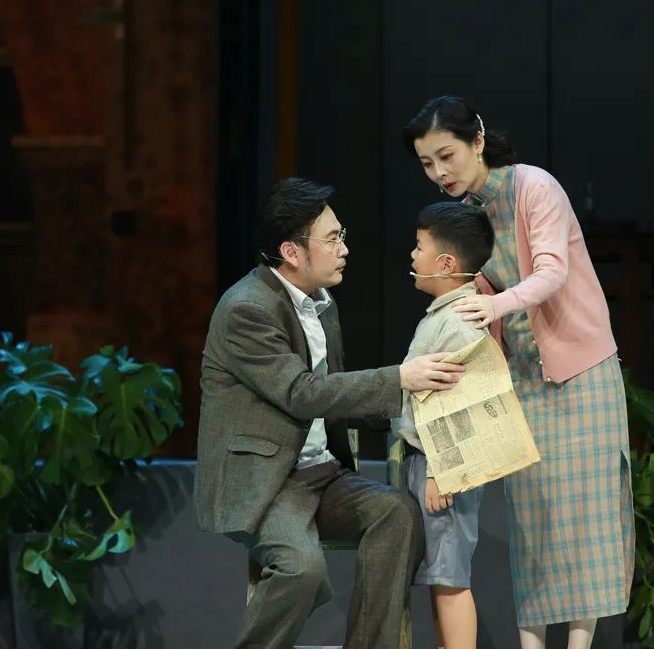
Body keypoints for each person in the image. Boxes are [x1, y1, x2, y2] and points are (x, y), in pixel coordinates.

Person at [194, 177, 466, 649]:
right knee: (301, 568)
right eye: (333, 239)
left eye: (342, 236)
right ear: (292, 252)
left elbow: (334, 393)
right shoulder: (247, 309)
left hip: (320, 474)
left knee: (397, 515)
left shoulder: (321, 303)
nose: (344, 249)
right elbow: (301, 393)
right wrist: (400, 378)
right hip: (267, 481)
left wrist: (415, 409)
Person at [402, 97, 634, 649]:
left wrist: (494, 305)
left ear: (477, 142)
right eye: (427, 163)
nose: (439, 172)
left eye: (446, 156)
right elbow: (468, 286)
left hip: (581, 370)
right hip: (522, 378)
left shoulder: (534, 187)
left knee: (585, 518)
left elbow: (552, 272)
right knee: (534, 521)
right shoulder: (469, 213)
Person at [393, 201, 496, 649]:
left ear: (447, 263)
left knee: (450, 578)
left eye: (420, 247)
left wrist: (441, 469)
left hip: (444, 468)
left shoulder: (459, 322)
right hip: (428, 463)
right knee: (440, 577)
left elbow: (459, 405)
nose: (413, 256)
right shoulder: (445, 314)